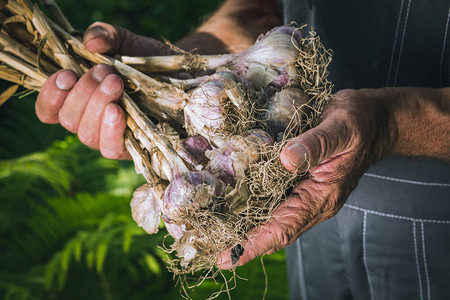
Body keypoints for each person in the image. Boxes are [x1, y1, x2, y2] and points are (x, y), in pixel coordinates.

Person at [35, 0, 450, 299]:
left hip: (434, 228)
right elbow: (257, 7)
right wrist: (194, 59)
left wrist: (393, 123)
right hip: (303, 208)